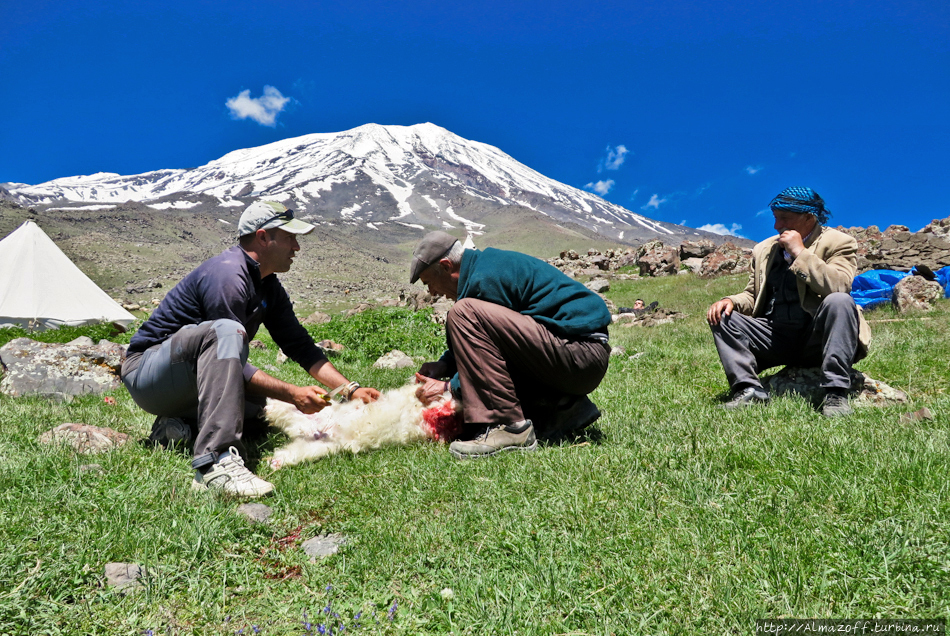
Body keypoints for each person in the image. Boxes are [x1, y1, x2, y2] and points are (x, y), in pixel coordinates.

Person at [121, 201, 380, 497]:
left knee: (258, 414)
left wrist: (350, 389)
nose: (297, 247)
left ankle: (176, 428)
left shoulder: (268, 284)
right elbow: (223, 355)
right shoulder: (229, 275)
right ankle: (214, 465)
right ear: (262, 237)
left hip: (181, 380)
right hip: (147, 374)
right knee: (227, 332)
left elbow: (299, 345)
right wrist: (291, 394)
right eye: (289, 238)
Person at [410, 231, 612, 459]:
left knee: (463, 313)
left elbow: (489, 356)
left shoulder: (486, 277)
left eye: (429, 283)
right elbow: (495, 346)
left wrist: (448, 388)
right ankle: (564, 410)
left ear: (446, 266)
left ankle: (511, 428)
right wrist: (444, 365)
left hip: (581, 354)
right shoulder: (482, 272)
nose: (432, 293)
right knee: (466, 314)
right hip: (573, 356)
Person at [706, 187, 871, 416]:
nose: (777, 226)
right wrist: (730, 301)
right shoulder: (764, 249)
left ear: (809, 217)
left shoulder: (838, 242)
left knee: (840, 302)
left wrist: (800, 253)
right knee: (723, 316)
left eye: (784, 218)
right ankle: (748, 390)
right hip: (776, 336)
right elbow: (753, 295)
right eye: (775, 218)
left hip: (818, 338)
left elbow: (839, 285)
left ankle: (835, 393)